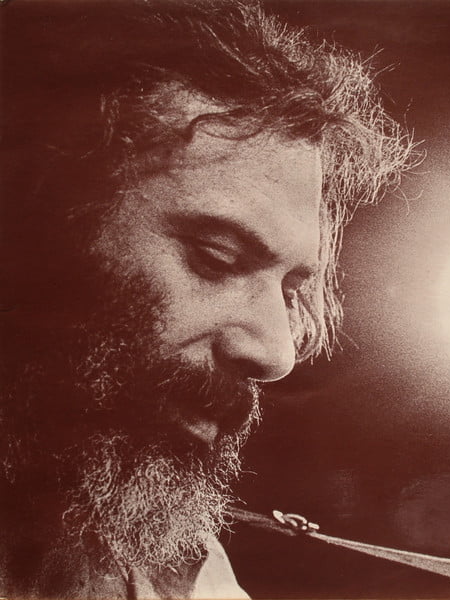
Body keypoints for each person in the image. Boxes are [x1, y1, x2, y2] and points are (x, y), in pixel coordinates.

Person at [0, 0, 417, 597]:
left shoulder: (189, 573)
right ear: (27, 232)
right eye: (216, 258)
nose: (277, 354)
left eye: (291, 292)